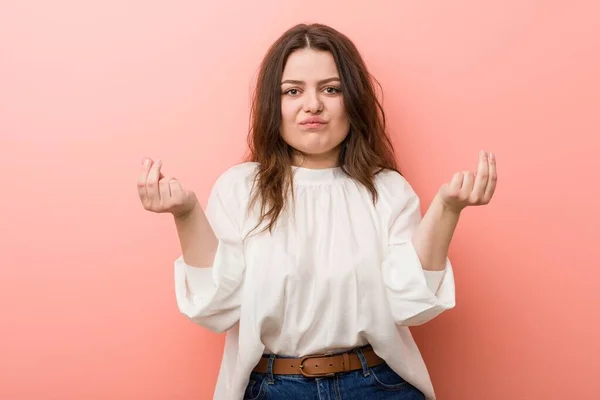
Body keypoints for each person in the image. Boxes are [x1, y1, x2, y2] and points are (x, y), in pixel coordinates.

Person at [137, 23, 497, 400]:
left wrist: (447, 209)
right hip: (272, 387)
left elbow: (410, 304)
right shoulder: (239, 188)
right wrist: (186, 213)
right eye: (293, 91)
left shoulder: (388, 190)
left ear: (352, 100)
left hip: (377, 384)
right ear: (272, 105)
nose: (313, 105)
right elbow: (216, 307)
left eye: (331, 89)